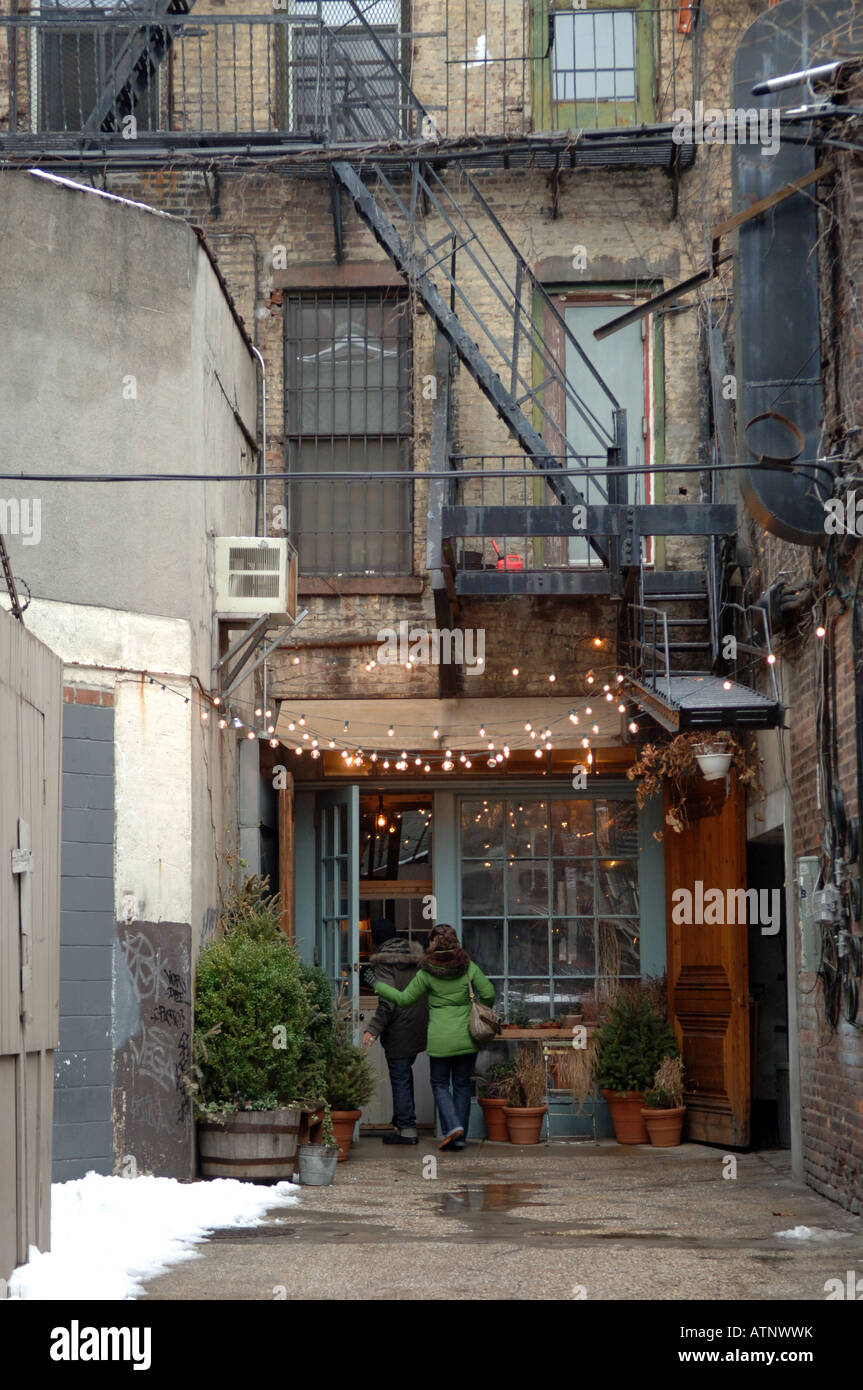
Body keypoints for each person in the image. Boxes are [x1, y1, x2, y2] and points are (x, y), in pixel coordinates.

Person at [365, 923, 495, 1151]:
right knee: (463, 1084)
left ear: (433, 943)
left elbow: (404, 999)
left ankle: (453, 1127)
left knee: (440, 1083)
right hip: (467, 1037)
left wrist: (378, 986)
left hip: (440, 1040)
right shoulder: (468, 967)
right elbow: (489, 993)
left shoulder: (427, 972)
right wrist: (476, 1008)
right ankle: (459, 1136)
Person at [362, 918, 428, 1146]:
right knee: (405, 1075)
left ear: (376, 939)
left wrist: (372, 1030)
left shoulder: (382, 962)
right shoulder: (414, 957)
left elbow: (388, 1002)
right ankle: (402, 1121)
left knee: (400, 1078)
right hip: (419, 1022)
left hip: (399, 1027)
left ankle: (407, 1129)